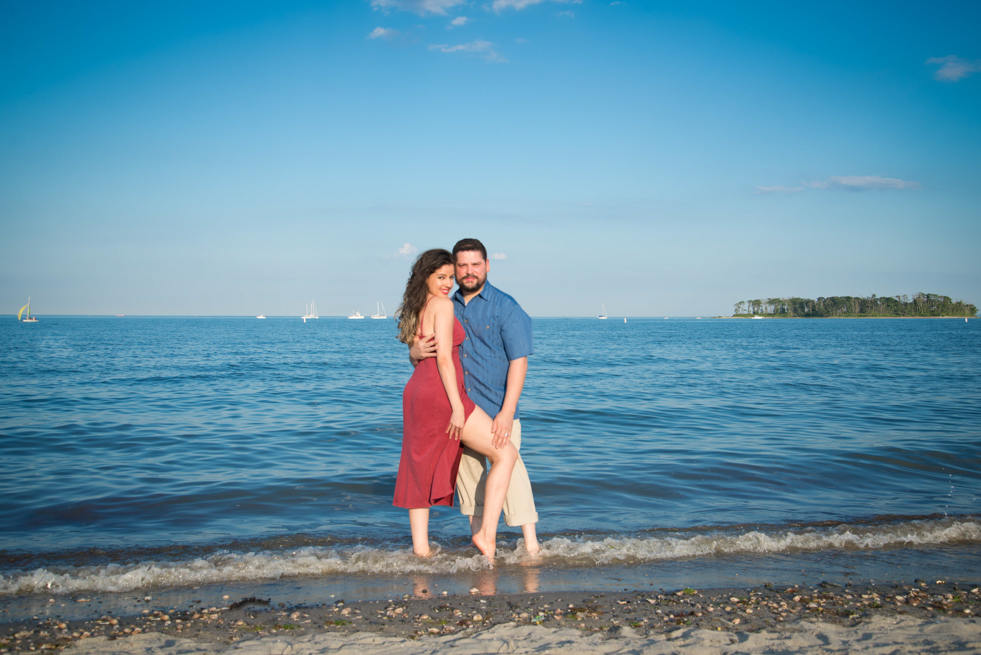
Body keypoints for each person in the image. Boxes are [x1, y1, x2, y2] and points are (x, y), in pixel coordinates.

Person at [410, 239, 540, 555]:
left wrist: (507, 411)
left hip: (498, 408)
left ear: (487, 266)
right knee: (470, 483)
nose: (469, 272)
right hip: (461, 409)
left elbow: (519, 361)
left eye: (475, 265)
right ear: (455, 268)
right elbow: (429, 358)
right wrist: (413, 351)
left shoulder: (506, 306)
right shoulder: (446, 304)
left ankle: (532, 547)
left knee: (513, 473)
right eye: (462, 266)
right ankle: (482, 544)